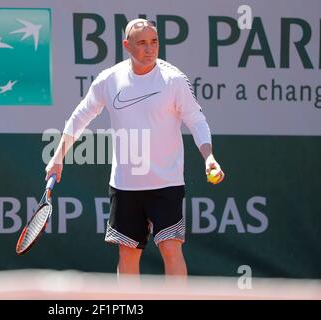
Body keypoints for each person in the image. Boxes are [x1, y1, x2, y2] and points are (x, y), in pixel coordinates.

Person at [45, 18, 225, 280]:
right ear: (126, 45)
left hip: (166, 182)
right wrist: (58, 156)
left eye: (154, 42)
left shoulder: (174, 80)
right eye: (142, 43)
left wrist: (209, 157)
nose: (150, 49)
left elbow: (196, 120)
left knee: (171, 247)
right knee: (128, 253)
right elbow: (80, 116)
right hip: (126, 185)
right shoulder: (109, 79)